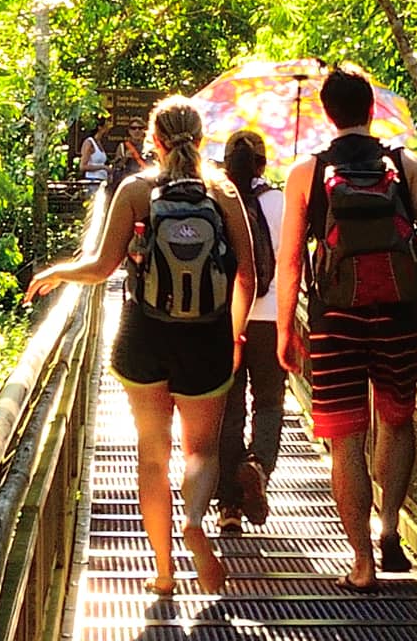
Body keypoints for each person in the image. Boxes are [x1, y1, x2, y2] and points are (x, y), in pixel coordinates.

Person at [30, 97, 254, 595]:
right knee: (201, 451)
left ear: (153, 140)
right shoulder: (223, 193)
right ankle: (195, 522)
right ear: (200, 139)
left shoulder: (135, 189)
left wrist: (56, 271)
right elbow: (249, 274)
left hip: (144, 336)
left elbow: (100, 268)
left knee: (151, 455)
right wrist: (233, 335)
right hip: (207, 338)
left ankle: (163, 571)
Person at [276, 67, 417, 588]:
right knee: (396, 420)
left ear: (328, 113)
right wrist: (399, 267)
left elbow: (288, 261)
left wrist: (286, 331)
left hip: (334, 319)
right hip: (398, 314)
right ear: (371, 108)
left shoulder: (306, 173)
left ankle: (360, 563)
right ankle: (391, 528)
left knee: (345, 438)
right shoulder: (405, 163)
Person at [210, 127, 289, 535]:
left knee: (230, 409)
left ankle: (228, 507)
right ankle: (257, 465)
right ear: (263, 163)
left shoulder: (217, 200)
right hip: (273, 317)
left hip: (225, 318)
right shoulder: (281, 202)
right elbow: (295, 265)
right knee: (270, 403)